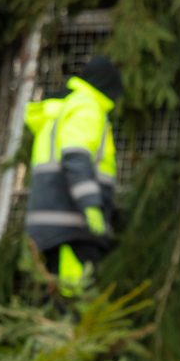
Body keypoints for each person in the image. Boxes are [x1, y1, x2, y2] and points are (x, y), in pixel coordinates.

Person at [24, 56, 123, 297]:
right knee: (74, 301)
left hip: (53, 222)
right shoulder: (87, 107)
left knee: (58, 297)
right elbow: (75, 157)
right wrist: (91, 205)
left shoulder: (64, 108)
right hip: (70, 224)